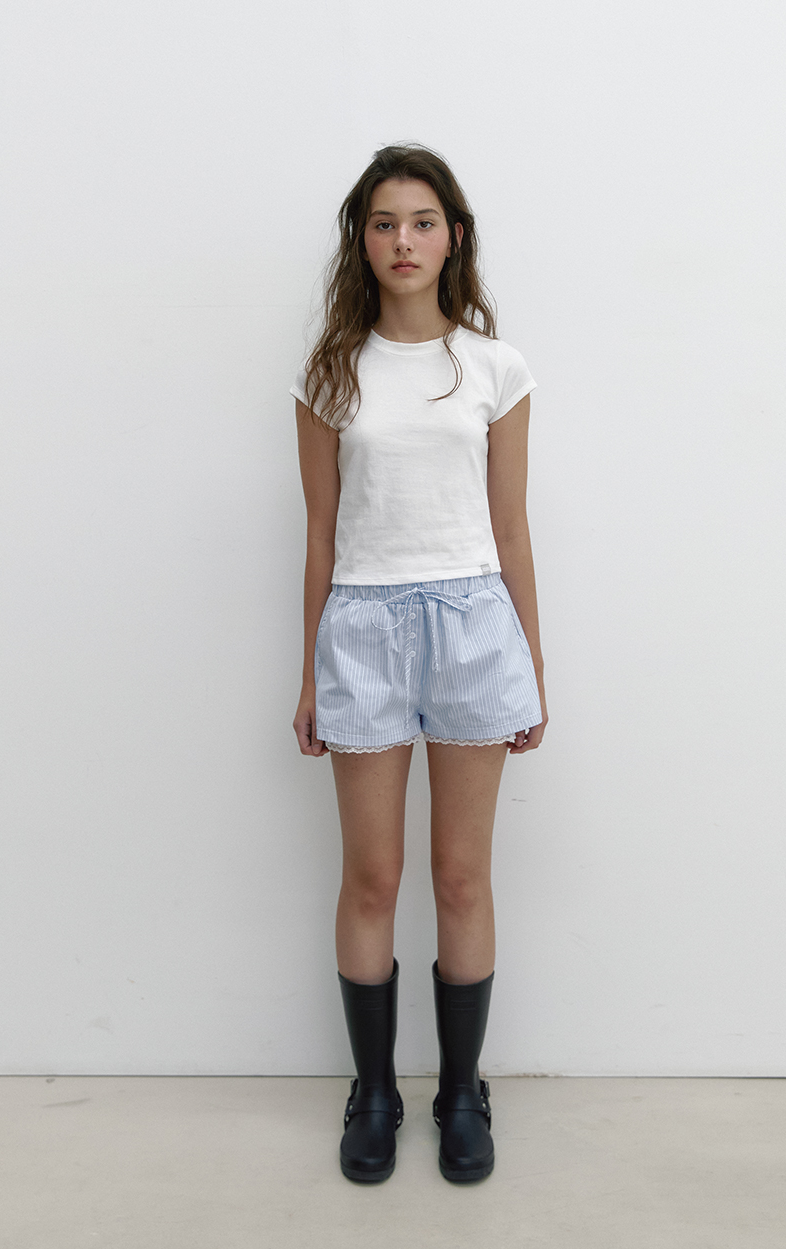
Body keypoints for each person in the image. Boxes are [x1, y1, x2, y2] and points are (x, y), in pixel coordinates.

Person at [291, 143, 547, 1184]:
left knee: (460, 873)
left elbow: (511, 527)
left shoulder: (495, 367)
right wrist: (310, 672)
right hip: (361, 625)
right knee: (372, 874)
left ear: (454, 238)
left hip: (475, 624)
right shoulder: (330, 374)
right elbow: (320, 535)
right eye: (385, 222)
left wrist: (530, 662)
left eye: (424, 221)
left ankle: (461, 1090)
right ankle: (374, 1091)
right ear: (363, 240)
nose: (405, 240)